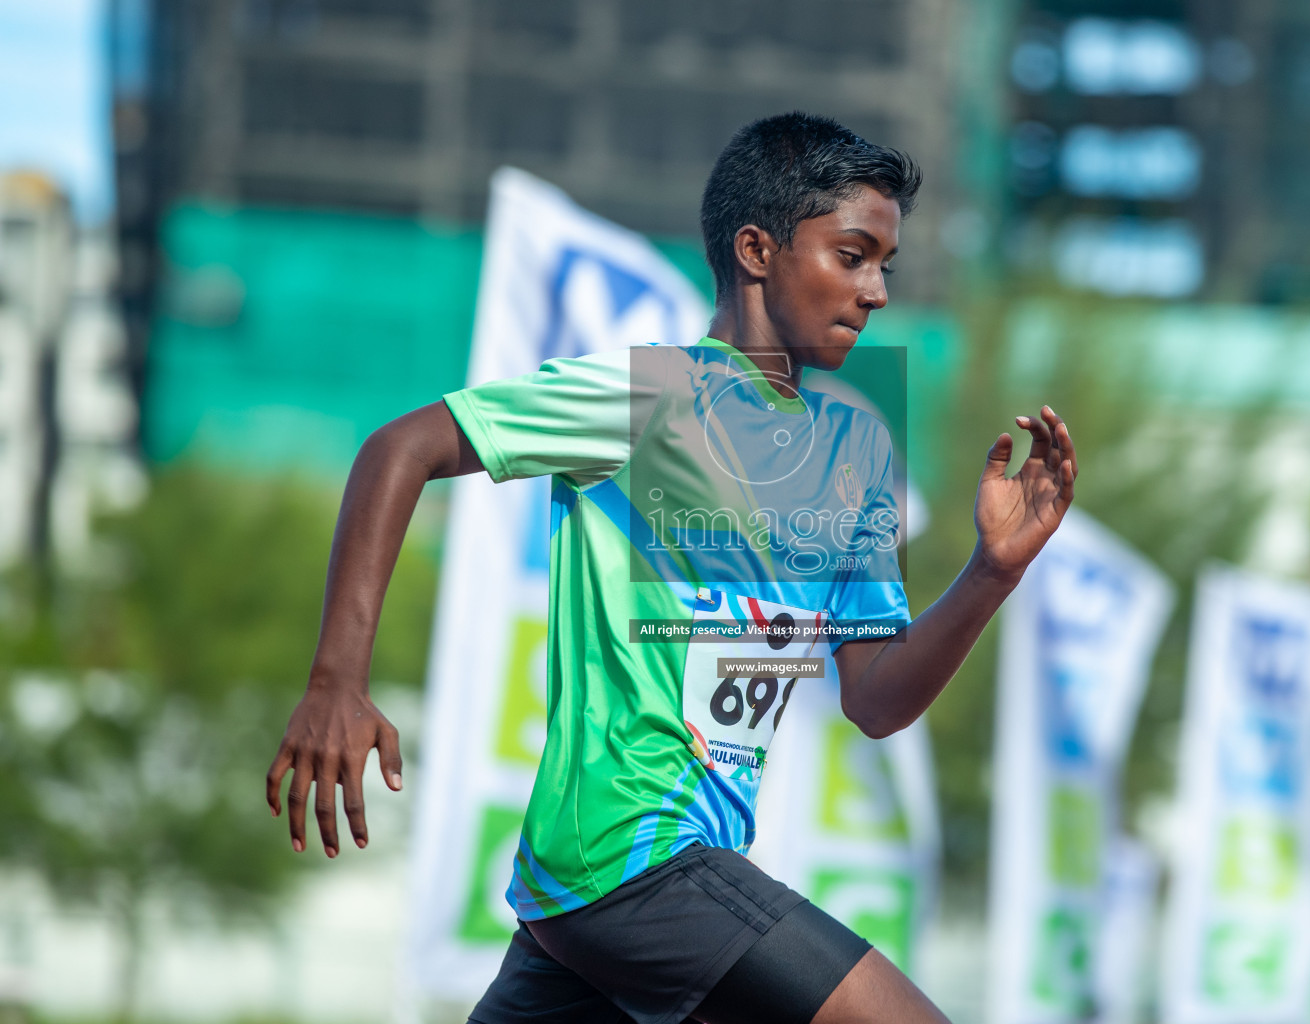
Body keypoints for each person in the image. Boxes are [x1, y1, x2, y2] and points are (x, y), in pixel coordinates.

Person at [266, 112, 1076, 1024]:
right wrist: (337, 677)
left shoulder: (857, 446)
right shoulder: (646, 399)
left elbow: (877, 701)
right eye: (852, 255)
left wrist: (990, 574)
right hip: (630, 856)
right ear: (758, 249)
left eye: (886, 264)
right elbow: (399, 448)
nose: (877, 290)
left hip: (615, 898)